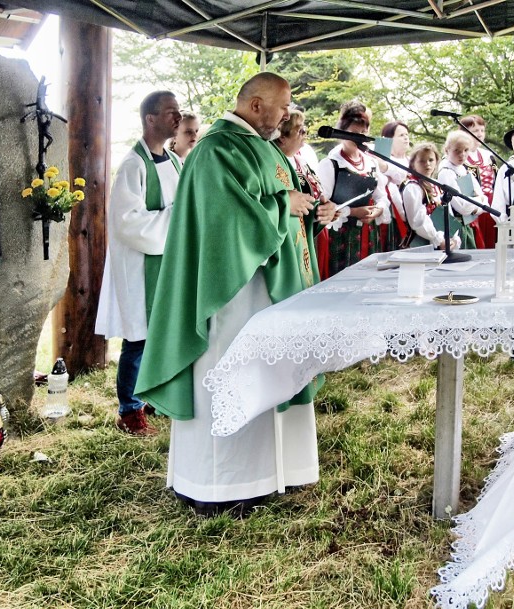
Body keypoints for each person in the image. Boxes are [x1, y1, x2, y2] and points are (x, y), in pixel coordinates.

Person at [134, 72, 323, 515]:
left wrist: (308, 211)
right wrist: (283, 205)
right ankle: (220, 485)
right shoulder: (218, 148)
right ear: (255, 105)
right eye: (281, 105)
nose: (286, 114)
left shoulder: (258, 145)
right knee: (230, 371)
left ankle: (275, 472)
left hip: (265, 288)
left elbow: (276, 199)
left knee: (267, 371)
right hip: (231, 292)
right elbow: (227, 218)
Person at [95, 91, 182, 436]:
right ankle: (129, 412)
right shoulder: (133, 166)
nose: (177, 117)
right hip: (142, 266)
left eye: (178, 112)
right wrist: (175, 220)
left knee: (163, 335)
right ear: (150, 119)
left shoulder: (174, 161)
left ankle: (156, 399)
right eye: (170, 112)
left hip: (169, 262)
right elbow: (128, 222)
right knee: (139, 340)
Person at [317, 101, 390, 275]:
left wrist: (378, 210)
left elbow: (382, 196)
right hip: (340, 238)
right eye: (354, 133)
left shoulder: (372, 163)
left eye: (363, 133)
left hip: (369, 233)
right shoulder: (331, 165)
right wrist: (353, 212)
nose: (359, 138)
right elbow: (322, 206)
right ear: (342, 132)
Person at [275, 108, 337, 278]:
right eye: (300, 130)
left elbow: (319, 196)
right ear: (282, 135)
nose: (305, 134)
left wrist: (327, 209)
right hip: (290, 242)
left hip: (312, 234)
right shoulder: (273, 164)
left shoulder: (301, 161)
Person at [400, 142, 460, 250]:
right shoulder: (413, 187)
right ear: (413, 163)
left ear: (436, 162)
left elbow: (449, 215)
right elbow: (417, 221)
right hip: (422, 245)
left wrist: (453, 238)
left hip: (443, 242)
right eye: (422, 161)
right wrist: (438, 240)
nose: (427, 164)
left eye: (431, 160)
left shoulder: (438, 185)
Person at [436, 130, 488, 249]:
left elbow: (484, 199)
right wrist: (477, 202)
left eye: (466, 150)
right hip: (456, 229)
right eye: (457, 151)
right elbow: (462, 207)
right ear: (447, 150)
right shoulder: (446, 172)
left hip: (469, 225)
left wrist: (476, 205)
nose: (462, 155)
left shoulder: (463, 169)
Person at [461, 114, 497, 248]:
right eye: (475, 131)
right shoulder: (460, 157)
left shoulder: (489, 155)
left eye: (482, 130)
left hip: (492, 204)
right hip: (474, 206)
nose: (480, 134)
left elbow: (496, 181)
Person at [379, 120, 413, 251]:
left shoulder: (412, 161)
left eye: (406, 134)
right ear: (389, 139)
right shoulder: (381, 160)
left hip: (415, 216)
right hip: (394, 220)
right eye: (401, 135)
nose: (406, 138)